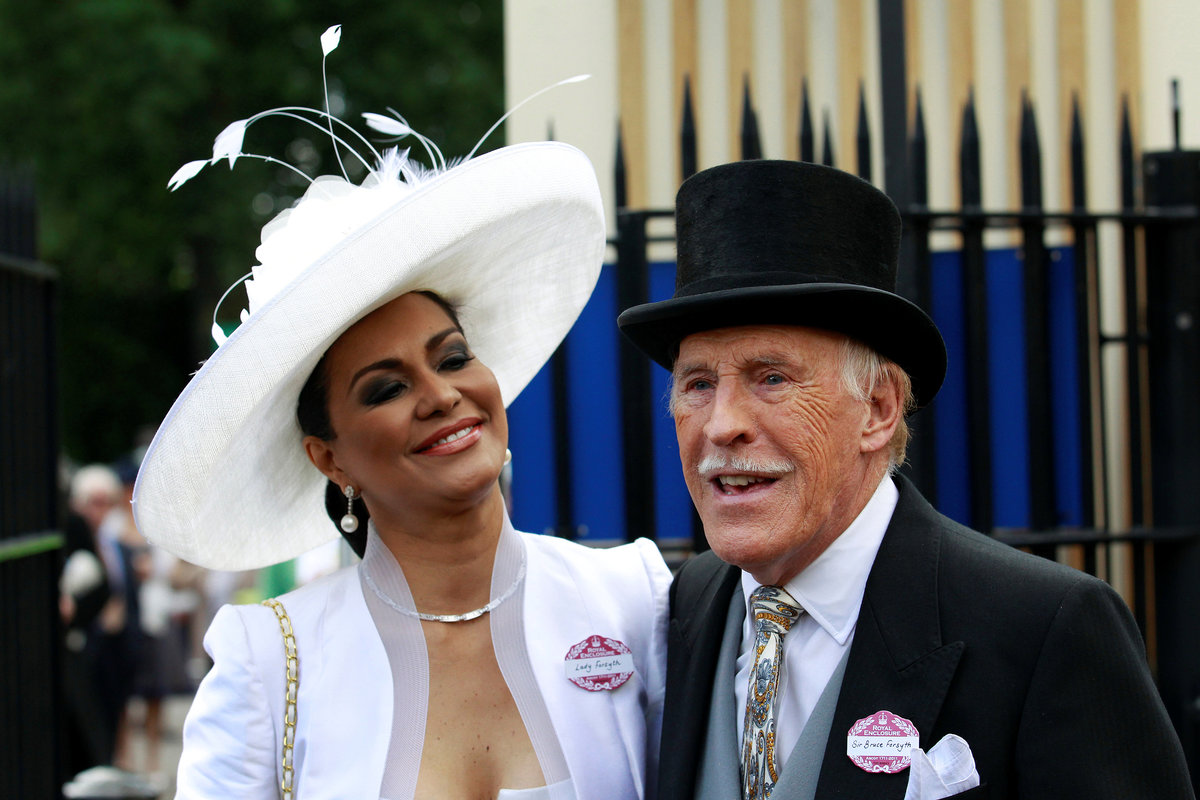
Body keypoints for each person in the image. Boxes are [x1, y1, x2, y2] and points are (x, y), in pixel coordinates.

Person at [132, 27, 669, 800]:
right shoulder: (269, 664)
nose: (441, 394)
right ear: (329, 457)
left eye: (452, 357)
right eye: (385, 389)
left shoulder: (633, 601)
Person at [617, 160, 1195, 800]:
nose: (722, 425)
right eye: (698, 384)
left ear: (879, 408)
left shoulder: (1043, 627)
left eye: (772, 378)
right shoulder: (693, 601)